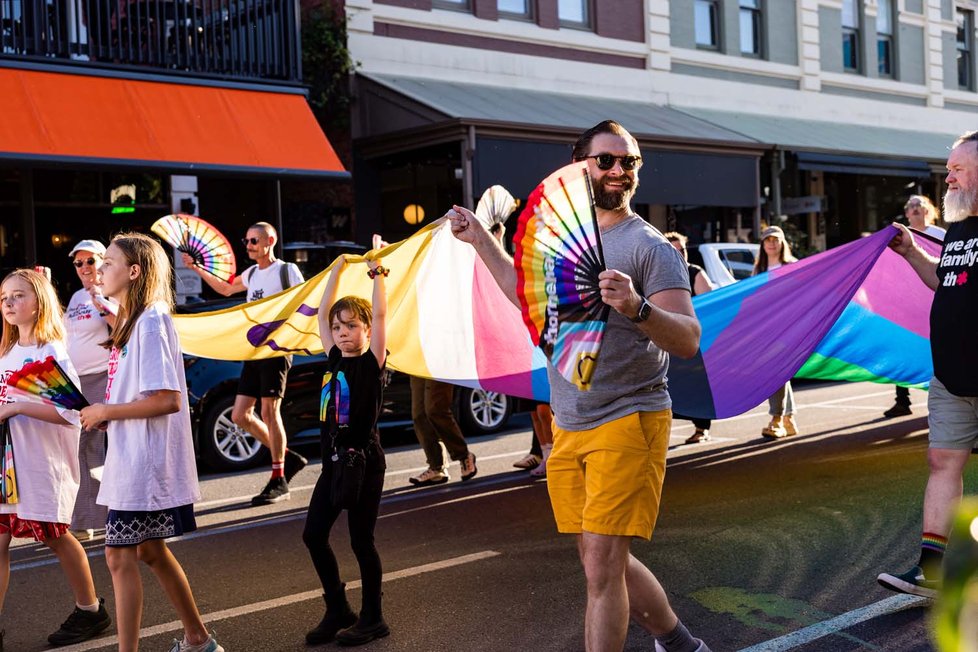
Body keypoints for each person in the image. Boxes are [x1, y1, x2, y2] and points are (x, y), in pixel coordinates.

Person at [449, 120, 710, 652]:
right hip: (569, 421)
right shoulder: (560, 240)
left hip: (629, 417)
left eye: (629, 162)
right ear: (579, 164)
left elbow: (687, 339)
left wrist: (637, 307)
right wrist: (479, 238)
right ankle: (682, 644)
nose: (619, 171)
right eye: (607, 160)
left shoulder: (650, 247)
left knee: (601, 570)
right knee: (600, 559)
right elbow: (521, 294)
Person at [80, 234, 223, 652]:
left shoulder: (152, 320)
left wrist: (107, 412)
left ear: (135, 271)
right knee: (149, 552)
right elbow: (142, 397)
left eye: (108, 262)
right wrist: (110, 414)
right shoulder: (133, 320)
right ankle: (198, 639)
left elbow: (168, 400)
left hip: (144, 464)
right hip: (132, 457)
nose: (100, 269)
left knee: (119, 556)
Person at [877, 131, 978, 599]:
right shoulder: (958, 226)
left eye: (957, 168)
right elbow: (946, 281)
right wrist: (912, 252)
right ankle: (932, 571)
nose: (948, 177)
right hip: (952, 377)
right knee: (942, 461)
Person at [0, 269, 111, 648]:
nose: (9, 303)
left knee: (56, 537)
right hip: (6, 464)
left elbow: (69, 412)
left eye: (18, 296)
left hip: (40, 461)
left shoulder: (52, 351)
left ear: (39, 302)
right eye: (4, 298)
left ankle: (91, 610)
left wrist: (16, 407)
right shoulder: (7, 350)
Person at [183, 221, 307, 505]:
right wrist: (195, 267)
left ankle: (279, 479)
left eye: (254, 241)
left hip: (275, 350)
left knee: (268, 410)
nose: (249, 246)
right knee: (240, 415)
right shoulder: (251, 273)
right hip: (253, 352)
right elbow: (225, 290)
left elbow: (303, 302)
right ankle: (287, 457)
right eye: (247, 241)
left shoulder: (287, 271)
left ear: (270, 241)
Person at [303, 238, 390, 647]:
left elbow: (383, 313)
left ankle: (373, 617)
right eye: (338, 327)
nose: (341, 332)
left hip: (364, 464)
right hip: (333, 463)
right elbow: (321, 313)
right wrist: (336, 270)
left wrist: (376, 273)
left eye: (351, 326)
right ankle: (338, 607)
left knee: (360, 540)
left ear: (367, 330)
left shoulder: (372, 363)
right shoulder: (334, 358)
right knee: (313, 535)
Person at [63, 239, 116, 541]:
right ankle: (95, 516)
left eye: (90, 262)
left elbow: (119, 326)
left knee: (89, 446)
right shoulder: (75, 297)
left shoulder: (109, 291)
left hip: (100, 377)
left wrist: (101, 300)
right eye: (78, 263)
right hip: (76, 381)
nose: (84, 268)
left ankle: (87, 520)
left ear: (102, 262)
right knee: (81, 448)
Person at [884, 195, 946, 419]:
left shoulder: (941, 235)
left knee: (936, 348)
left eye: (920, 205)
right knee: (903, 346)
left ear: (929, 210)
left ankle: (945, 398)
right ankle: (902, 400)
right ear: (907, 213)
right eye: (911, 206)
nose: (915, 208)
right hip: (908, 302)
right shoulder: (901, 237)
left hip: (933, 299)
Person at [665, 232, 716, 444]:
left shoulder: (694, 272)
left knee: (696, 385)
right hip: (668, 339)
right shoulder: (659, 273)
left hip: (692, 341)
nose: (678, 254)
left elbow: (708, 303)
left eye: (682, 250)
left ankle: (701, 428)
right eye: (673, 250)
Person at [752, 226, 800, 440]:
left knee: (775, 370)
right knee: (780, 371)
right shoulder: (759, 269)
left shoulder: (793, 266)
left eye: (775, 239)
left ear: (782, 243)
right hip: (767, 329)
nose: (771, 243)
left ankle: (776, 419)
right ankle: (788, 419)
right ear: (762, 245)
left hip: (788, 327)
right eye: (767, 240)